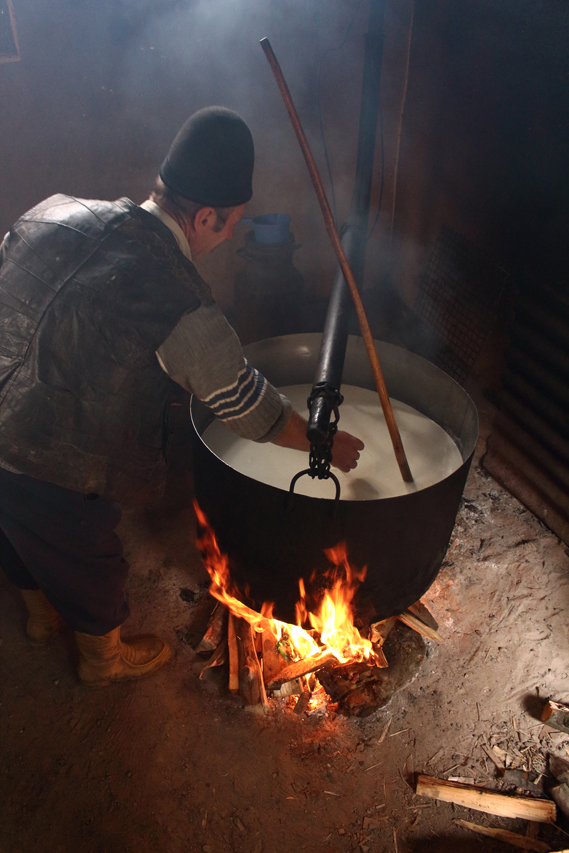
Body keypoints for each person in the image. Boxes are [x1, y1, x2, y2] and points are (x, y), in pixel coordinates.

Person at [0, 106, 364, 687]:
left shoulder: (57, 215)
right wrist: (320, 440)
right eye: (232, 226)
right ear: (206, 217)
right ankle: (103, 661)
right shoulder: (179, 300)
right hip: (42, 454)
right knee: (85, 553)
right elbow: (245, 404)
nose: (227, 239)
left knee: (15, 529)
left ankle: (41, 619)